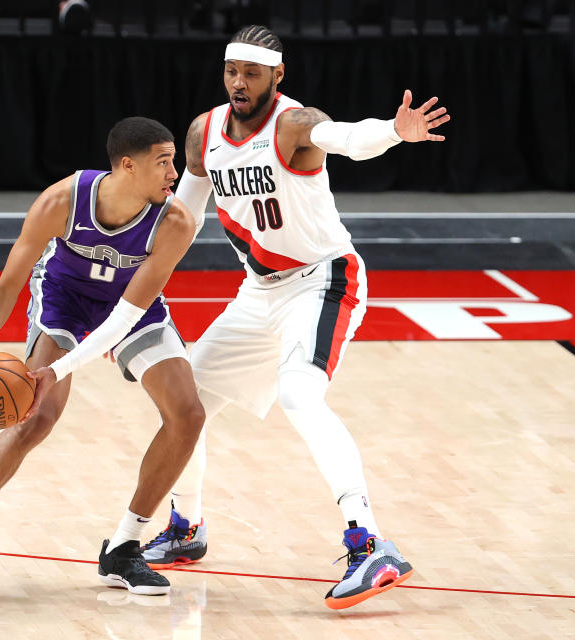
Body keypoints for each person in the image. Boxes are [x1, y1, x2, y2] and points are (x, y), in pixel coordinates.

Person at [140, 25, 450, 610]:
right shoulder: (203, 133)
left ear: (277, 76)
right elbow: (183, 218)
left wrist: (392, 132)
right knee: (185, 399)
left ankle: (369, 543)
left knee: (300, 394)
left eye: (251, 73)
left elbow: (345, 138)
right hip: (258, 292)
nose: (238, 82)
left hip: (323, 280)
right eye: (232, 70)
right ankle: (187, 527)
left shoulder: (292, 125)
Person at [0, 116, 205, 601]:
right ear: (128, 166)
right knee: (35, 417)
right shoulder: (61, 201)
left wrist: (59, 369)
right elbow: (8, 284)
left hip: (129, 307)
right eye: (164, 162)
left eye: (174, 160)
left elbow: (124, 318)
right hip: (64, 296)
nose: (175, 174)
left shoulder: (174, 223)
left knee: (188, 414)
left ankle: (124, 548)